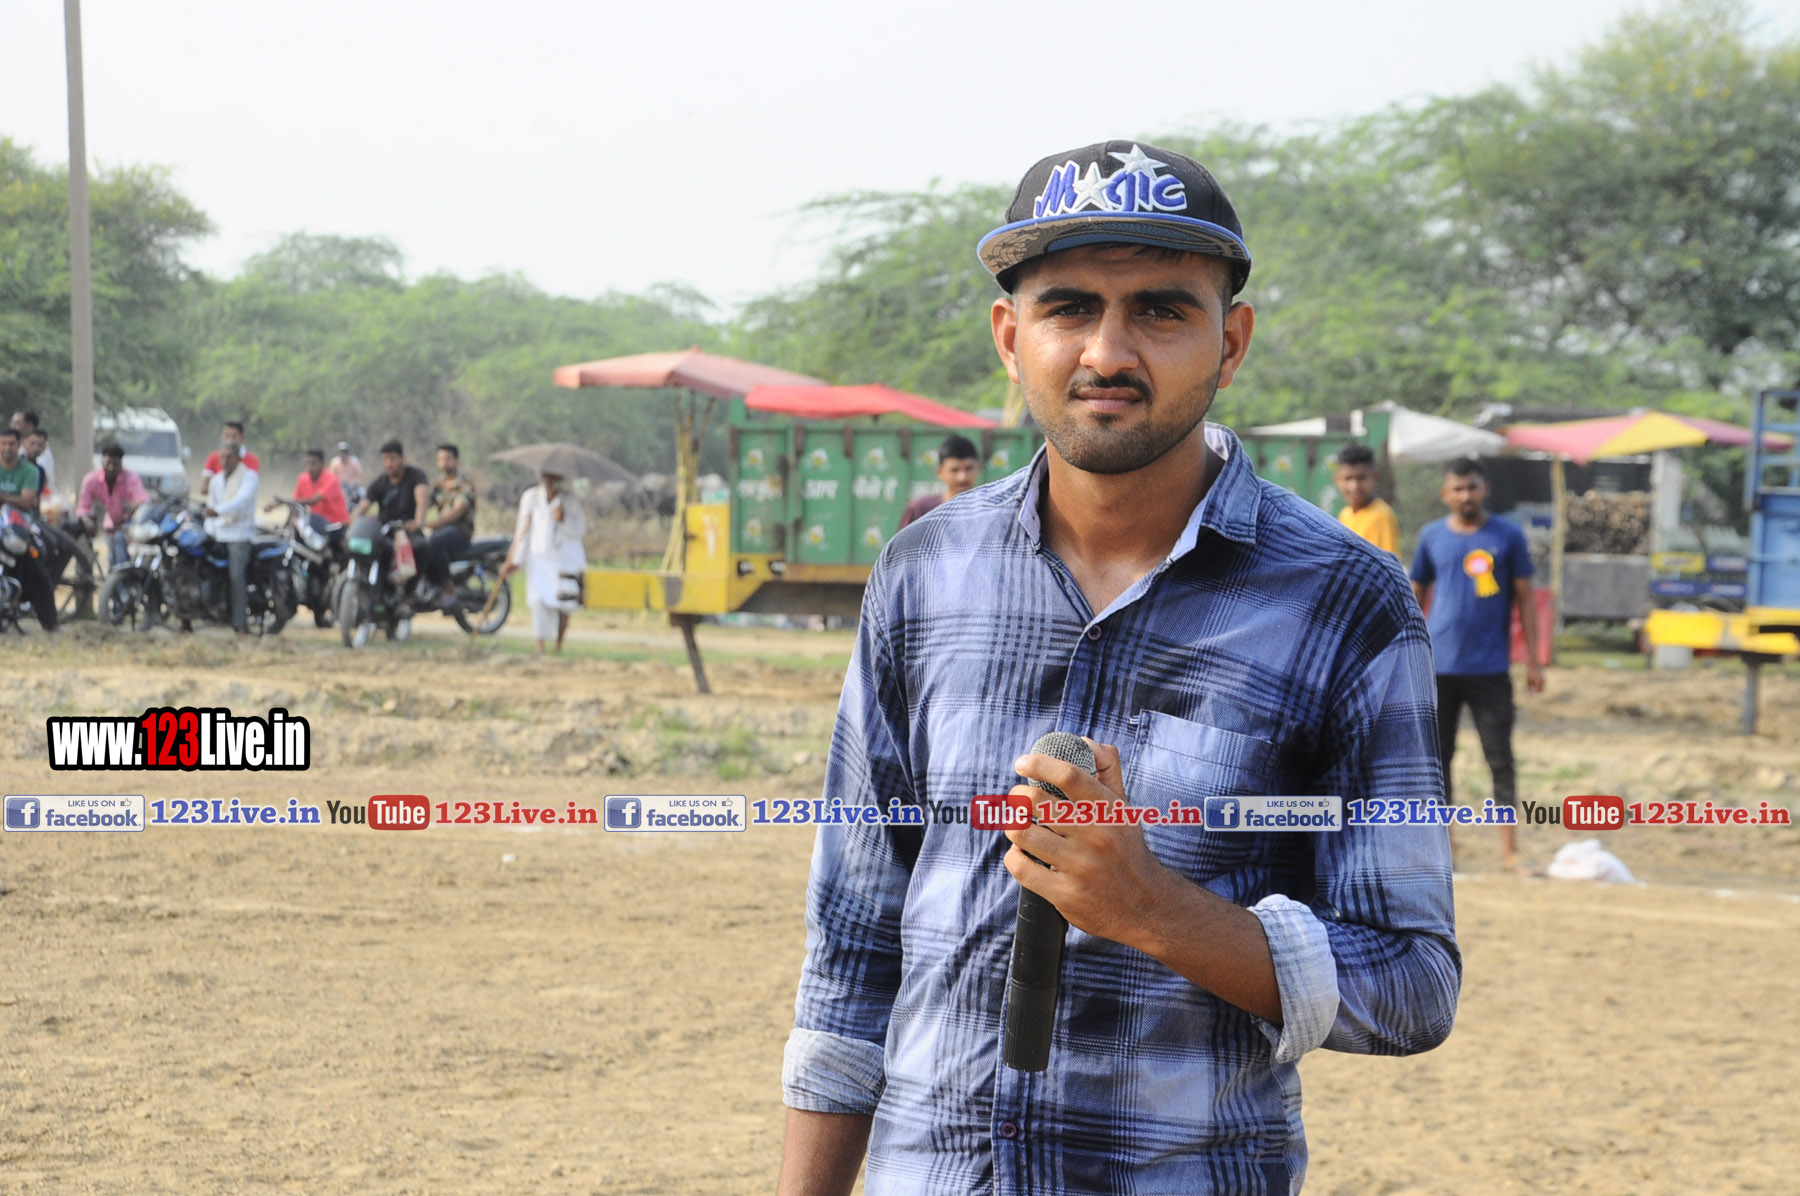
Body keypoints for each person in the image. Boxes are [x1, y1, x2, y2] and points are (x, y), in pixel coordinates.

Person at [780, 142, 1458, 1196]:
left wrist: (1155, 909)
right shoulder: (923, 574)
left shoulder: (1345, 601)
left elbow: (1413, 980)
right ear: (1012, 339)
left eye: (1160, 311)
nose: (1107, 351)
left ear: (1230, 342)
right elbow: (853, 943)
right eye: (1068, 308)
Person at [1410, 457, 1542, 872]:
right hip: (1439, 670)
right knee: (1437, 762)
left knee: (1500, 759)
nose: (1465, 495)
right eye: (1458, 488)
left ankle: (1509, 851)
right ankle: (1444, 849)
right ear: (1445, 494)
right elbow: (1414, 598)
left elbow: (1526, 600)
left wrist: (1534, 661)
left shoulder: (1508, 536)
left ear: (1484, 489)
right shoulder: (1431, 537)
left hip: (1490, 670)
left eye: (1472, 487)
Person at [498, 471, 585, 653]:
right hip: (539, 559)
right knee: (538, 602)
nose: (551, 482)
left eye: (554, 478)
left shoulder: (571, 500)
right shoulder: (531, 498)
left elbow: (579, 530)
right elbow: (522, 532)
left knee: (565, 603)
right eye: (548, 478)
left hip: (564, 560)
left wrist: (563, 519)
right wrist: (516, 560)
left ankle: (558, 645)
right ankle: (540, 648)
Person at [355, 439, 438, 602]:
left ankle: (408, 595)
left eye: (392, 459)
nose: (388, 464)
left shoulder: (416, 476)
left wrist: (418, 521)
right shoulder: (380, 482)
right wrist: (352, 524)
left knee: (422, 548)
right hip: (384, 531)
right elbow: (362, 507)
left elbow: (422, 500)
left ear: (403, 459)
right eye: (385, 459)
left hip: (407, 530)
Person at [0, 426, 57, 631]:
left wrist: (3, 498)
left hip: (20, 530)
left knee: (37, 570)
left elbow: (26, 502)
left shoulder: (30, 471)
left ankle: (51, 623)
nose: (7, 448)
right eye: (3, 443)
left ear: (19, 446)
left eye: (11, 444)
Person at [203, 440, 259, 633]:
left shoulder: (250, 477)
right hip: (219, 533)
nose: (225, 461)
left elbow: (241, 501)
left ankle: (240, 623)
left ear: (238, 458)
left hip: (239, 534)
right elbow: (210, 506)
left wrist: (218, 511)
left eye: (229, 457)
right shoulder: (216, 480)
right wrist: (209, 527)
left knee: (236, 576)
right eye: (222, 457)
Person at [76, 442, 149, 571]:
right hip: (111, 524)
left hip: (129, 524)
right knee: (112, 557)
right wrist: (87, 521)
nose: (111, 468)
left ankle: (123, 574)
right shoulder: (91, 480)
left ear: (121, 464)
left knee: (121, 551)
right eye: (108, 464)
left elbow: (143, 498)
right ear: (102, 462)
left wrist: (133, 506)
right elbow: (83, 507)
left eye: (115, 465)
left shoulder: (130, 478)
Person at [422, 443, 477, 606]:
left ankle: (448, 590)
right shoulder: (439, 484)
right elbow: (426, 504)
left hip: (461, 531)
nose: (443, 462)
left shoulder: (465, 483)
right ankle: (432, 587)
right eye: (440, 459)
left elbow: (458, 510)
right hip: (443, 531)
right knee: (422, 545)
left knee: (435, 542)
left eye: (447, 458)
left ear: (456, 460)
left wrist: (436, 523)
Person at [898, 435, 982, 528]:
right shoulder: (921, 510)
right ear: (940, 472)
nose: (962, 477)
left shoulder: (987, 511)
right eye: (954, 470)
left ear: (979, 468)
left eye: (968, 469)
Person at [1333, 443, 1400, 556]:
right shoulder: (1345, 514)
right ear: (1337, 479)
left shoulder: (1381, 516)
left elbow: (1387, 563)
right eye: (1348, 479)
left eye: (1361, 478)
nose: (1354, 487)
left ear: (1375, 477)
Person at [285, 448, 349, 526]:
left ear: (322, 464)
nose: (310, 467)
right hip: (317, 523)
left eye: (313, 463)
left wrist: (284, 502)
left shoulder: (332, 479)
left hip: (336, 524)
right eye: (307, 463)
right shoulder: (303, 478)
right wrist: (286, 526)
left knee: (311, 519)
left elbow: (313, 500)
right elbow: (296, 504)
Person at [200, 421, 261, 487]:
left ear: (242, 438)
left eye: (234, 436)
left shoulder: (252, 459)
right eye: (226, 435)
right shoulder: (213, 457)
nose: (230, 439)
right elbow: (205, 487)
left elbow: (251, 484)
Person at [11, 411, 54, 496]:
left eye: (18, 423)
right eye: (32, 444)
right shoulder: (15, 461)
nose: (36, 448)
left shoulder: (41, 466)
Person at [328, 441, 365, 505]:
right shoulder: (335, 462)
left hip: (352, 486)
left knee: (362, 492)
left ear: (348, 453)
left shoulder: (354, 462)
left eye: (345, 452)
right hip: (338, 487)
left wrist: (353, 483)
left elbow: (360, 477)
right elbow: (330, 477)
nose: (343, 454)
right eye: (342, 452)